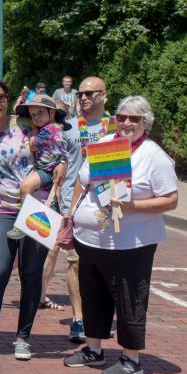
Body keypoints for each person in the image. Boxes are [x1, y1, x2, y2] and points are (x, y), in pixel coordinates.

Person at [63, 96, 178, 374]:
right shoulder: (105, 144)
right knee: (93, 296)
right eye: (122, 117)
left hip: (131, 243)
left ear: (145, 122)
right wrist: (71, 213)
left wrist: (132, 206)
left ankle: (132, 358)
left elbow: (171, 200)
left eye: (134, 119)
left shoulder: (153, 156)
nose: (127, 123)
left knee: (130, 298)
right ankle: (94, 349)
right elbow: (83, 179)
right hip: (91, 238)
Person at [0, 79, 60, 361]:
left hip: (39, 206)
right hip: (0, 209)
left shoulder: (26, 124)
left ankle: (23, 338)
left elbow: (56, 145)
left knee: (31, 273)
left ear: (8, 99)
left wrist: (63, 166)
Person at [43, 76, 117, 339]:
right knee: (73, 262)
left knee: (106, 263)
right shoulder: (68, 127)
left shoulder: (115, 127)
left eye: (90, 94)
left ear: (103, 95)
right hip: (71, 203)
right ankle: (78, 319)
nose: (84, 98)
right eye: (81, 94)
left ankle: (102, 314)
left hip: (107, 204)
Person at [11, 94, 68, 213]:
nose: (36, 118)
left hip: (47, 170)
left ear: (52, 113)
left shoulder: (48, 130)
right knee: (52, 201)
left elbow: (33, 146)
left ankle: (25, 220)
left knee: (25, 188)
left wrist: (34, 130)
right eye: (32, 115)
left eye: (40, 112)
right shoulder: (55, 127)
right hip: (51, 170)